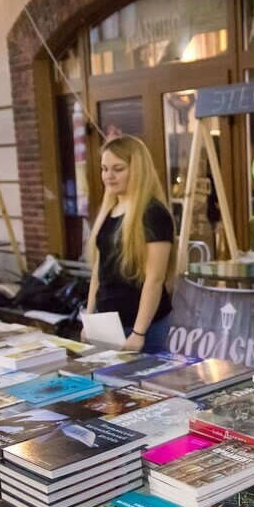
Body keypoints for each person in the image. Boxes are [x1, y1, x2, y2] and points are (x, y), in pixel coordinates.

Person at [83, 135, 176, 353]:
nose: (108, 176)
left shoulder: (153, 214)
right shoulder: (109, 209)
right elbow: (99, 269)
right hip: (107, 322)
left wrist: (139, 332)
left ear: (137, 170)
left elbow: (155, 278)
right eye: (104, 169)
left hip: (141, 325)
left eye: (118, 169)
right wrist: (89, 316)